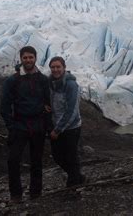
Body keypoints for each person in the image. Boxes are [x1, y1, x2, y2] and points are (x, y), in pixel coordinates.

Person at [1, 46, 50, 202]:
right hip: (20, 125)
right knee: (13, 160)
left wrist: (47, 124)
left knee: (36, 160)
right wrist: (11, 126)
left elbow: (48, 102)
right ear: (21, 59)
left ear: (35, 58)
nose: (28, 60)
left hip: (38, 125)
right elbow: (5, 106)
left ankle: (36, 192)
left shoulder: (43, 80)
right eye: (25, 57)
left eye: (31, 57)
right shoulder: (12, 81)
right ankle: (16, 194)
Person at [48, 56, 85, 187]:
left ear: (64, 68)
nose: (55, 69)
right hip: (56, 125)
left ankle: (73, 185)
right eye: (53, 67)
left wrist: (58, 129)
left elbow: (72, 111)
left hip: (71, 128)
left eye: (58, 67)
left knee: (71, 156)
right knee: (58, 156)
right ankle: (77, 177)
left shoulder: (71, 85)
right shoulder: (51, 83)